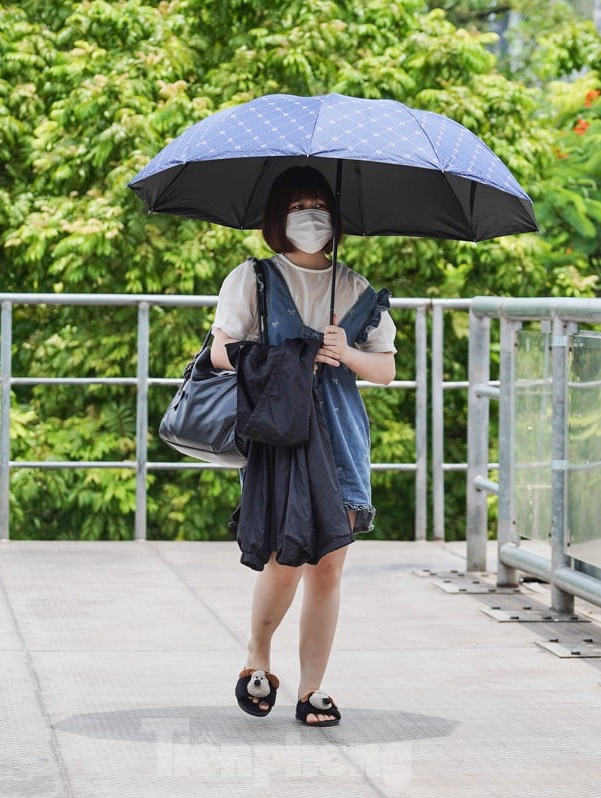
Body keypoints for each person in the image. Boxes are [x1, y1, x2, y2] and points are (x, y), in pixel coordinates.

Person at [210, 165, 397, 727]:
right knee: (284, 558)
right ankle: (257, 657)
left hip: (340, 435)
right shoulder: (255, 279)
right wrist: (290, 355)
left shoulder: (356, 288)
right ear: (277, 217)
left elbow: (384, 369)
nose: (310, 217)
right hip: (283, 436)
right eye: (298, 206)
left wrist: (345, 351)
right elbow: (221, 352)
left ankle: (313, 687)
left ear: (334, 218)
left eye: (319, 206)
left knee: (329, 566)